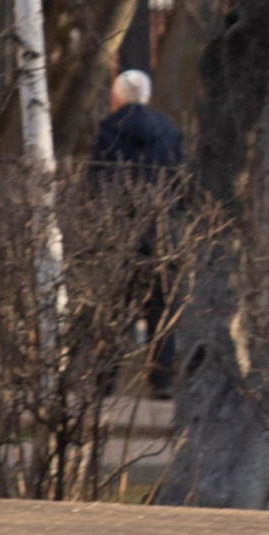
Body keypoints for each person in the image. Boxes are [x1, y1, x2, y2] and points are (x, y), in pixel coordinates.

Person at [91, 69, 183, 393]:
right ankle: (162, 381)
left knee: (116, 306)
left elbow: (96, 184)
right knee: (162, 307)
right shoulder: (169, 132)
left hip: (119, 232)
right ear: (147, 96)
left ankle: (105, 382)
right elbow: (180, 182)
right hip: (162, 232)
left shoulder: (106, 131)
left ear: (116, 97)